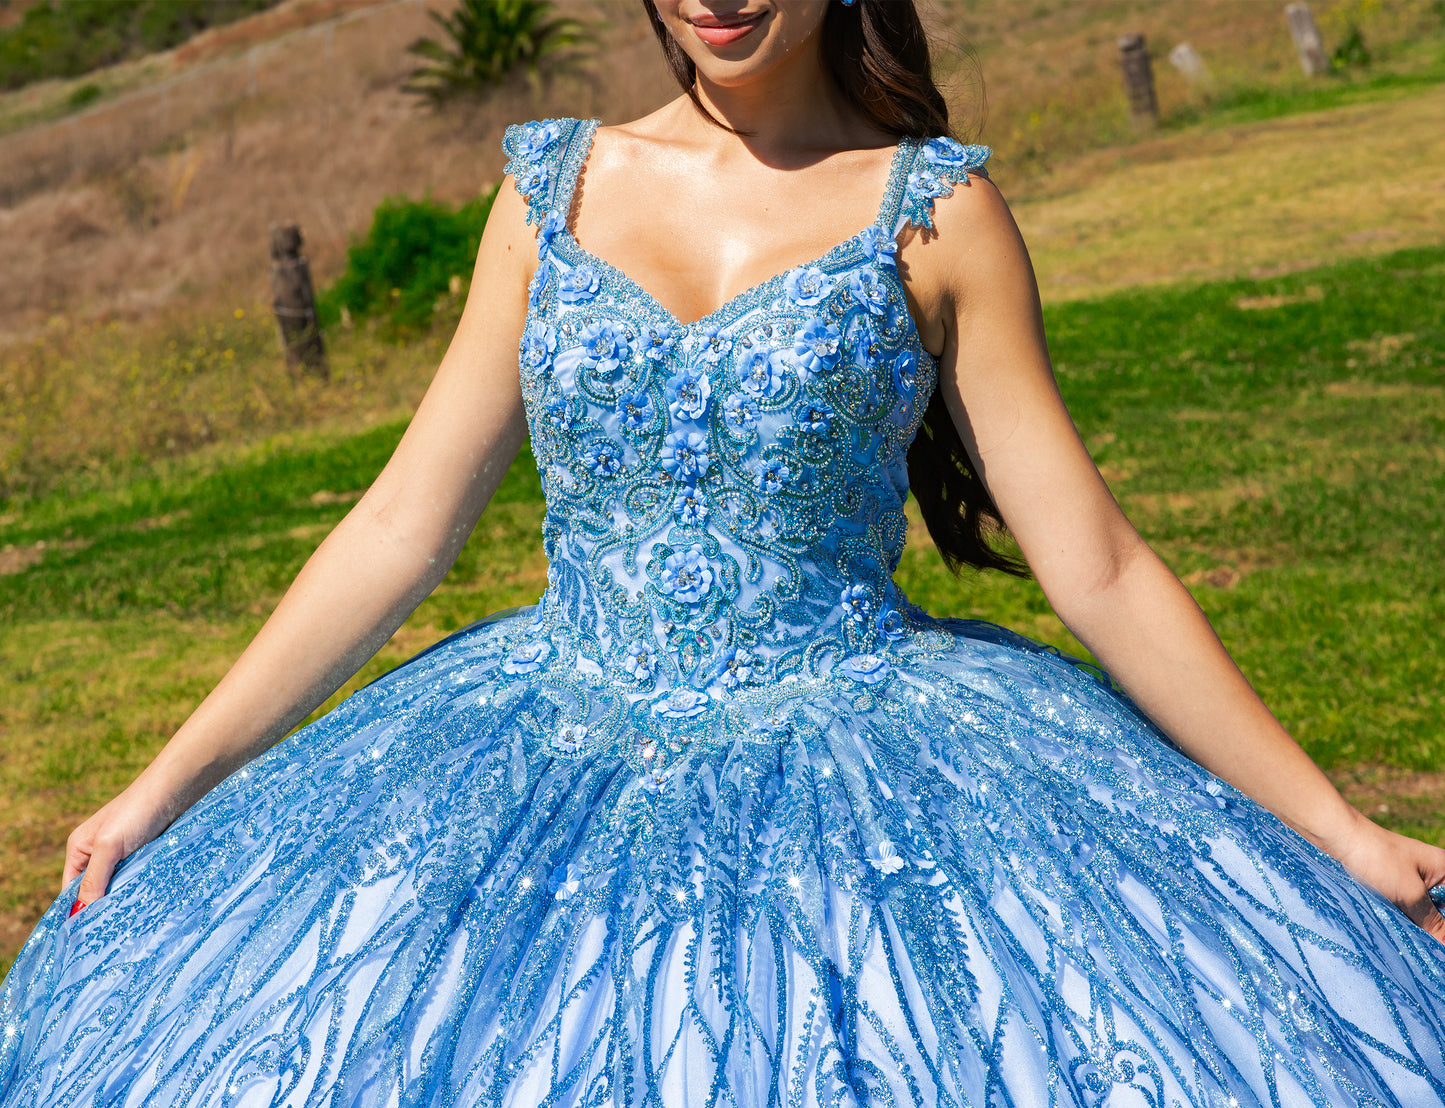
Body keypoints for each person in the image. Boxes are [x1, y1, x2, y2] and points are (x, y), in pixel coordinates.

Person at [3, 0, 1444, 1103]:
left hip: (866, 758)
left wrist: (1335, 828)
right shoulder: (549, 189)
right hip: (539, 747)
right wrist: (162, 785)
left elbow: (1100, 567)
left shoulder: (937, 210)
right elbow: (400, 525)